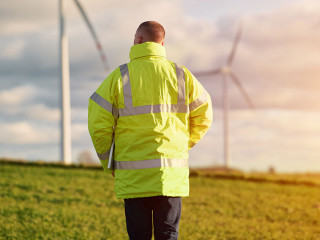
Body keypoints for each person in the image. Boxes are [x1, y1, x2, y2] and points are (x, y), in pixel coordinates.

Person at [88, 21, 213, 240]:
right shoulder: (181, 75)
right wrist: (184, 143)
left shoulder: (119, 77)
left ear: (138, 40)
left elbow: (98, 125)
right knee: (168, 235)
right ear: (162, 43)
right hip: (171, 178)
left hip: (134, 177)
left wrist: (110, 162)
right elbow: (204, 115)